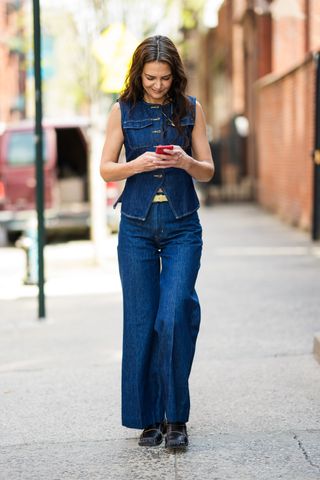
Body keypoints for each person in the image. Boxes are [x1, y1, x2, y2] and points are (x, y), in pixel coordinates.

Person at [100, 35, 214, 449]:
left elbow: (208, 170)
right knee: (142, 322)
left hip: (183, 226)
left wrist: (185, 160)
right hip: (136, 228)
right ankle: (149, 419)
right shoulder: (121, 110)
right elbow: (106, 169)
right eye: (150, 77)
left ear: (175, 76)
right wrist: (137, 164)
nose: (158, 85)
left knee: (174, 315)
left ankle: (177, 418)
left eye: (165, 78)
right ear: (138, 73)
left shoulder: (190, 109)